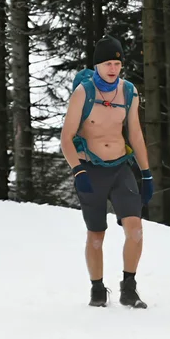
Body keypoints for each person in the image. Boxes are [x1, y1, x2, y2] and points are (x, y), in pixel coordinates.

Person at [59, 38, 154, 309]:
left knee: (135, 229)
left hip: (120, 169)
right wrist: (78, 171)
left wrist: (146, 172)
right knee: (96, 236)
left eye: (117, 63)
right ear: (97, 65)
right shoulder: (83, 92)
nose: (113, 68)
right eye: (107, 63)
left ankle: (129, 287)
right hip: (90, 170)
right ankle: (98, 289)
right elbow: (66, 138)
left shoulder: (129, 92)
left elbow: (134, 133)